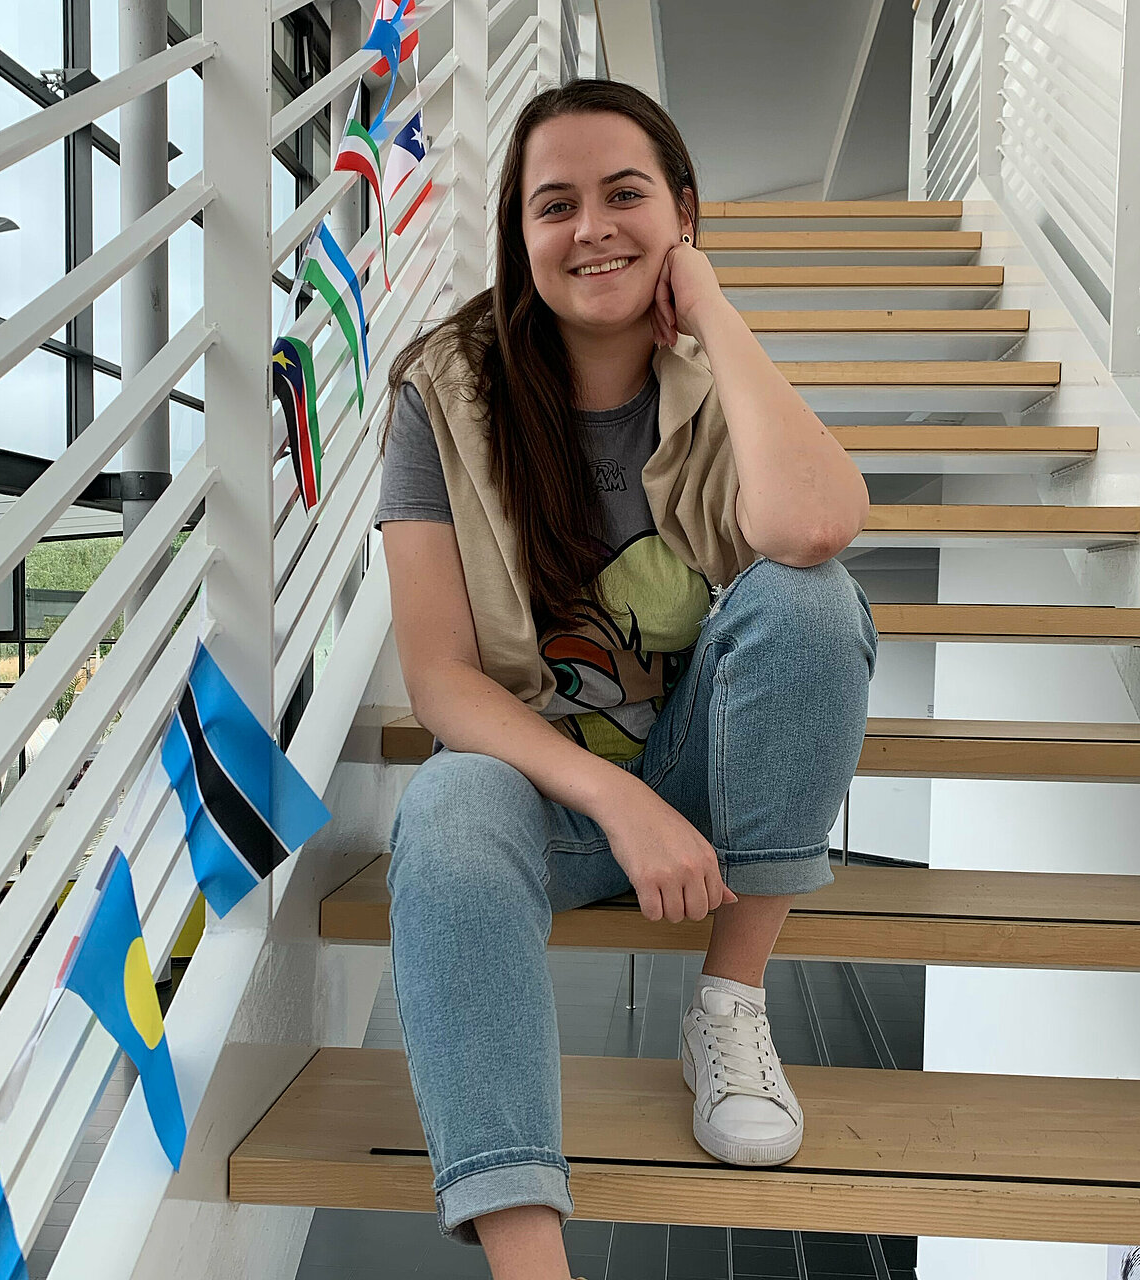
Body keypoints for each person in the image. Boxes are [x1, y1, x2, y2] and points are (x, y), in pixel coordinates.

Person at [375, 78, 877, 1280]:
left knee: (811, 601)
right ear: (520, 237)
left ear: (682, 211)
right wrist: (616, 799)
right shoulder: (442, 394)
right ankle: (527, 1259)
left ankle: (727, 1009)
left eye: (624, 195)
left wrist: (706, 304)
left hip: (706, 787)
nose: (590, 227)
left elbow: (811, 528)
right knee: (445, 803)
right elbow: (439, 677)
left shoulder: (717, 381)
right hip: (548, 798)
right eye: (554, 205)